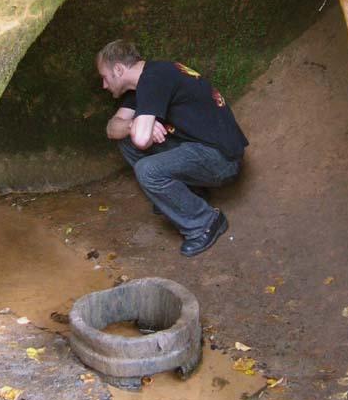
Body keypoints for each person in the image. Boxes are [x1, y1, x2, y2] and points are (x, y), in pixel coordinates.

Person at [97, 39, 248, 257]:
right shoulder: (143, 83)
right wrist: (131, 125)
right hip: (196, 148)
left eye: (104, 77)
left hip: (221, 159)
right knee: (125, 140)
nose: (104, 85)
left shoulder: (155, 78)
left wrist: (140, 128)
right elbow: (112, 128)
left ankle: (206, 223)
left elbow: (142, 140)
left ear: (119, 69)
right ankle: (187, 193)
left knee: (147, 170)